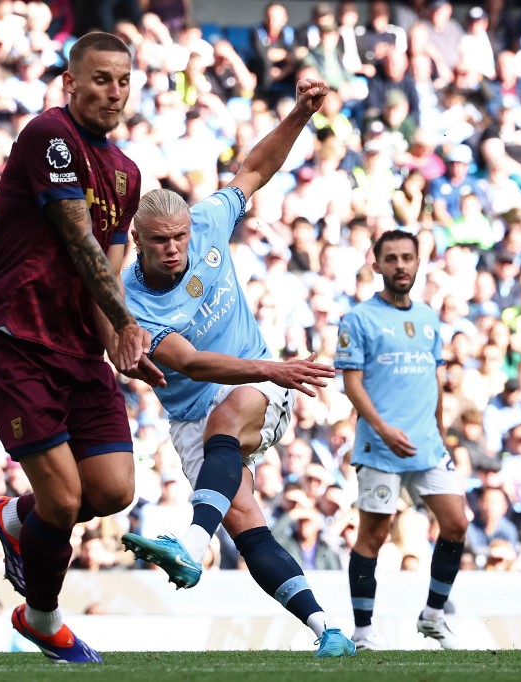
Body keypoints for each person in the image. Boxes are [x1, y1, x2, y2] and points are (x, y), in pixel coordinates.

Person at [118, 78, 355, 659]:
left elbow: (255, 169)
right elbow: (190, 363)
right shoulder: (131, 303)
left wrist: (300, 114)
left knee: (226, 422)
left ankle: (189, 542)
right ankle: (328, 631)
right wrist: (269, 367)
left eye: (179, 237)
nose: (174, 248)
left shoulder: (208, 221)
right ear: (138, 240)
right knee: (248, 526)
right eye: (160, 241)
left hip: (257, 386)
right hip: (198, 411)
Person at [0, 31, 162, 665]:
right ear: (71, 82)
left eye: (122, 81)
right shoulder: (49, 135)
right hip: (18, 337)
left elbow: (109, 265)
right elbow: (79, 240)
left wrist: (121, 347)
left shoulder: (127, 173)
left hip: (78, 348)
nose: (113, 92)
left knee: (111, 492)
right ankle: (43, 620)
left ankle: (16, 519)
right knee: (63, 500)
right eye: (100, 79)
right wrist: (127, 323)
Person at [334, 228, 469, 650]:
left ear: (418, 262)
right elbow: (352, 384)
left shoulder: (428, 317)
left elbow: (434, 379)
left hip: (427, 445)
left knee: (456, 524)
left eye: (407, 258)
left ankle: (432, 616)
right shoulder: (358, 319)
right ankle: (363, 631)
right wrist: (382, 429)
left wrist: (441, 433)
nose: (400, 266)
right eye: (390, 258)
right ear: (377, 265)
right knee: (373, 537)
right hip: (380, 447)